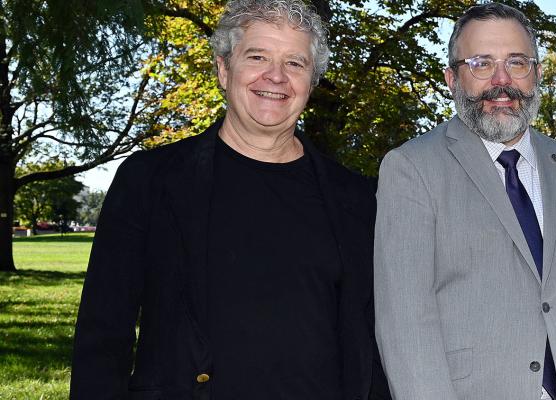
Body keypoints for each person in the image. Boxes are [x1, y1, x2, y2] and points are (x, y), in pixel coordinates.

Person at [70, 0, 390, 398]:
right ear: (224, 69)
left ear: (312, 81)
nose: (276, 77)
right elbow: (103, 334)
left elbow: (374, 341)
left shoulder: (358, 197)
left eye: (295, 63)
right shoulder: (151, 180)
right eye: (257, 56)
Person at [372, 3, 556, 400]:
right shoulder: (411, 168)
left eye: (517, 62)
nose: (502, 81)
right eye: (481, 64)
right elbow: (405, 322)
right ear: (451, 78)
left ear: (537, 74)